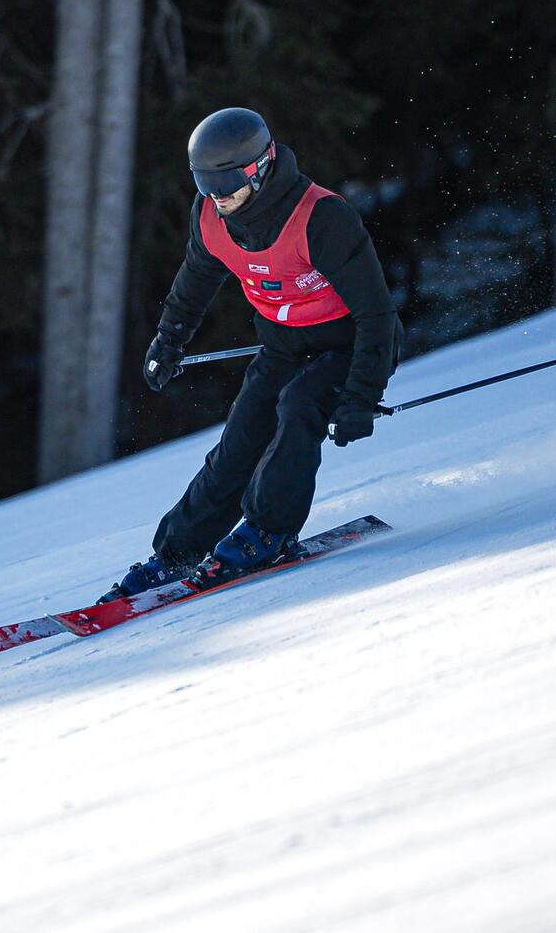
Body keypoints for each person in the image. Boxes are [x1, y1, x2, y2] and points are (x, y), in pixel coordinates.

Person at [103, 107, 403, 601]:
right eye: (206, 186)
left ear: (259, 169)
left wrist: (361, 396)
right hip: (283, 347)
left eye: (227, 185)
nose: (218, 198)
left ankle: (269, 531)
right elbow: (194, 282)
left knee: (299, 406)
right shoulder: (211, 219)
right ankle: (176, 555)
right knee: (238, 444)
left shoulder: (321, 217)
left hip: (351, 345)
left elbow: (377, 315)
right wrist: (168, 341)